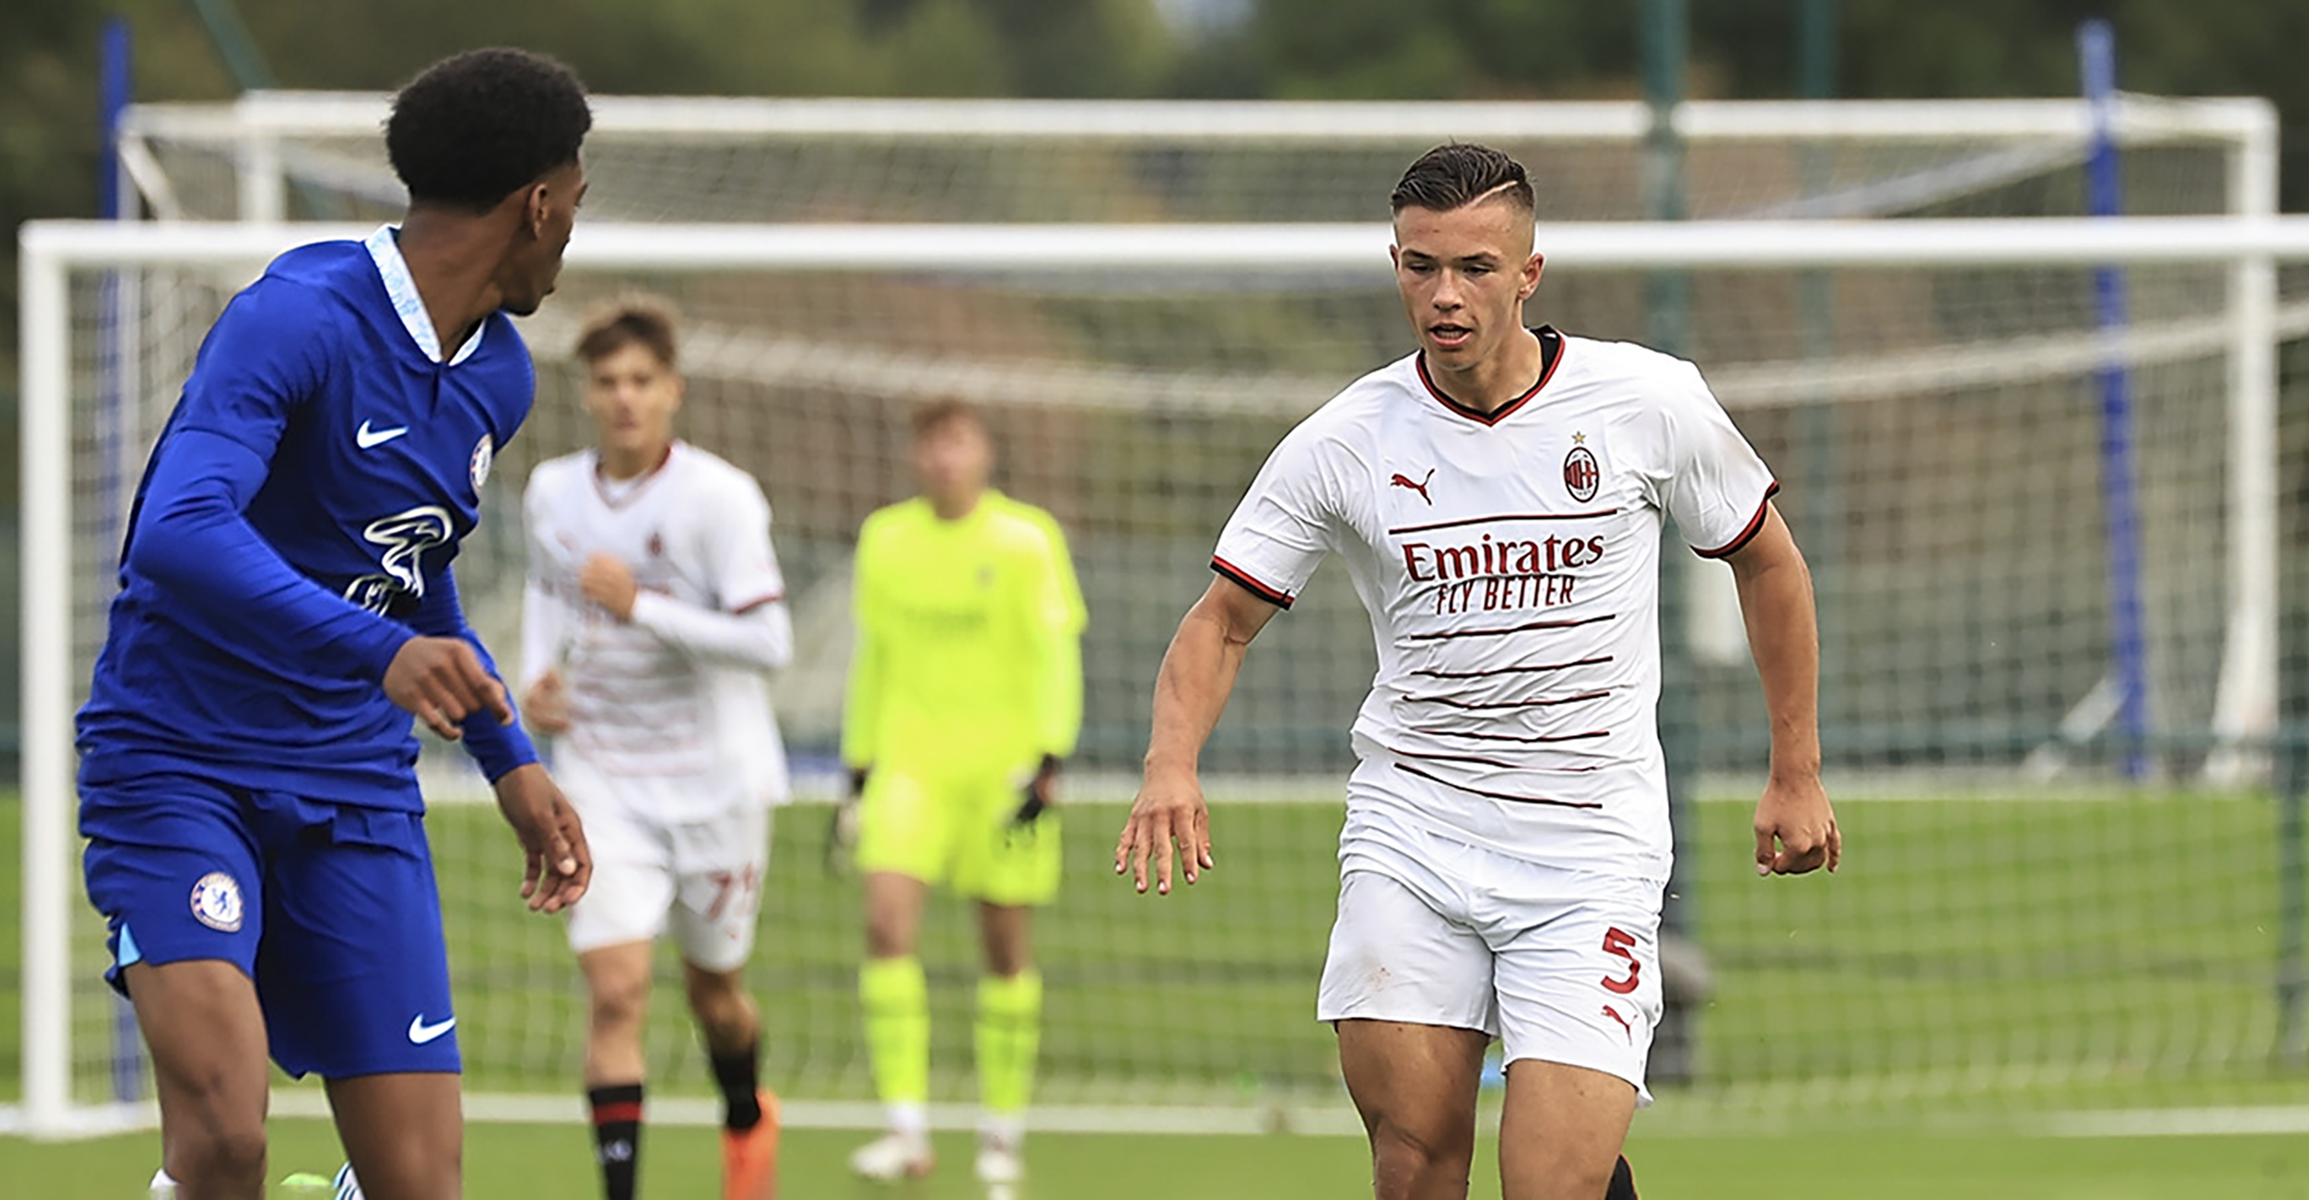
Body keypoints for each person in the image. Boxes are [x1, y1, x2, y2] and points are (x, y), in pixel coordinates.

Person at [1115, 142, 1840, 1200]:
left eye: (1474, 269)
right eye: (1419, 268)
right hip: (1413, 836)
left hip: (1589, 844)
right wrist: (1169, 762)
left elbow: (1767, 562)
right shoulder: (1345, 441)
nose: (1444, 295)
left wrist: (1796, 768)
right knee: (1411, 1167)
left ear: (1529, 274)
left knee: (1552, 1185)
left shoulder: (1646, 401)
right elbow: (1219, 623)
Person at [78, 48, 596, 1200]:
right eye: (576, 204)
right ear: (540, 203)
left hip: (354, 789)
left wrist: (508, 756)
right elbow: (175, 527)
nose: (570, 239)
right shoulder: (298, 316)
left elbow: (415, 564)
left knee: (419, 1186)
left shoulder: (496, 375)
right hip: (180, 766)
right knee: (224, 1142)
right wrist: (383, 653)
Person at [517, 298, 790, 1200]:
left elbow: (768, 644)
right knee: (617, 991)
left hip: (718, 785)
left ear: (672, 390)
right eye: (607, 382)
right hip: (604, 780)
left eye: (642, 381)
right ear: (587, 393)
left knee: (715, 996)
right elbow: (547, 600)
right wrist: (535, 681)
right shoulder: (552, 491)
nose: (625, 398)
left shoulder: (719, 498)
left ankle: (746, 1115)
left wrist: (645, 607)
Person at [835, 399, 1086, 1186]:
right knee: (885, 923)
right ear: (916, 457)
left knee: (1004, 948)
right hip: (910, 765)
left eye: (959, 443)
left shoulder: (1026, 540)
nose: (945, 459)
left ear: (983, 453)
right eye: (932, 445)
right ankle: (905, 1128)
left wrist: (1050, 756)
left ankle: (1002, 1132)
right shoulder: (886, 539)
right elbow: (872, 657)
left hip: (1004, 773)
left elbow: (1055, 653)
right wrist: (857, 769)